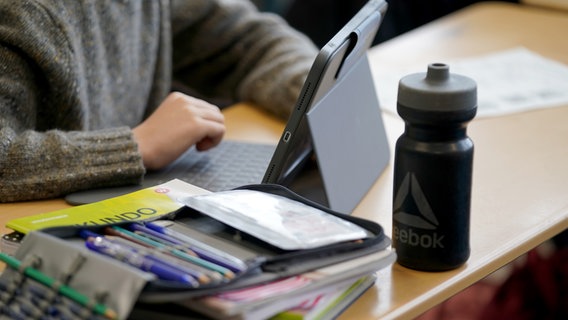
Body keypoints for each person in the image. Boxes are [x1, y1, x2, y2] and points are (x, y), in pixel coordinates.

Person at [0, 0, 318, 202]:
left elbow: (245, 38)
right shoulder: (21, 15)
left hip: (119, 208)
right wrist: (137, 145)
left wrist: (314, 94)